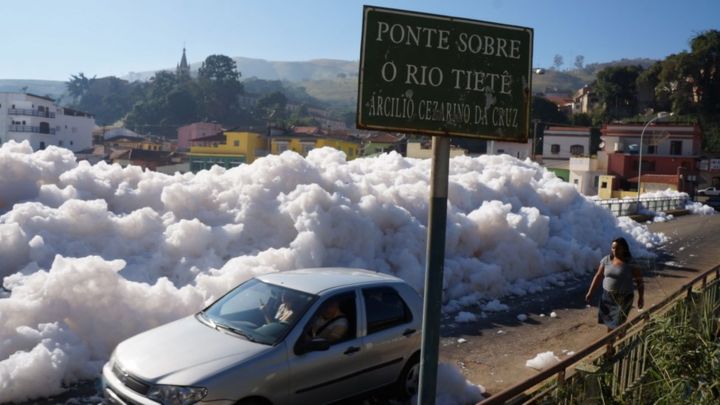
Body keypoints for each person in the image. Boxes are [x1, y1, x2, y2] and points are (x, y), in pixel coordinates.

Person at [585, 237, 644, 331]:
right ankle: (614, 343)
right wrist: (590, 292)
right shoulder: (606, 260)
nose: (614, 250)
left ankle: (617, 343)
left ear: (624, 249)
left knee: (617, 324)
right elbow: (598, 276)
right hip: (607, 297)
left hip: (623, 298)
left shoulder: (630, 263)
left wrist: (641, 297)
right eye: (613, 248)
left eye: (618, 248)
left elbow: (639, 281)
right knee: (610, 324)